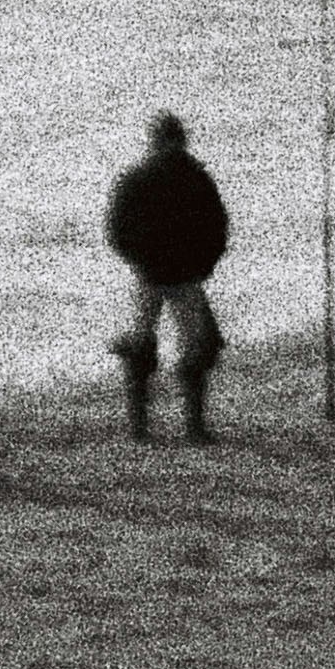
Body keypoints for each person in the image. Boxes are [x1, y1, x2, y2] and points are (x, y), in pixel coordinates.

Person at [103, 109, 230, 442]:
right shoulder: (198, 178)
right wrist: (204, 265)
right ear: (181, 140)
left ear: (154, 141)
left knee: (141, 345)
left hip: (151, 273)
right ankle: (193, 428)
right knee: (197, 346)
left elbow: (116, 230)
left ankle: (140, 428)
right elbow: (217, 229)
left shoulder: (137, 177)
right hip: (186, 275)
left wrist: (140, 260)